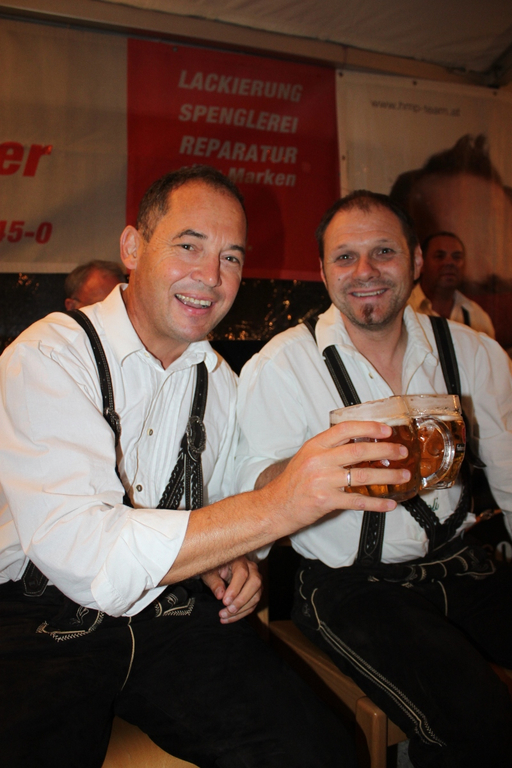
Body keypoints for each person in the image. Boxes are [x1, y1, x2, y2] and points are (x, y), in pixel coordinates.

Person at [0, 166, 411, 767]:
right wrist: (279, 505)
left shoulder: (220, 384)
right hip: (34, 622)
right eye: (189, 246)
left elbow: (218, 510)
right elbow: (88, 554)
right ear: (133, 248)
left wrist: (232, 557)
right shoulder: (49, 356)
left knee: (319, 750)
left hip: (170, 617)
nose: (211, 277)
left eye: (231, 258)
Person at [236, 190, 512, 768]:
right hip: (352, 587)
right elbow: (254, 487)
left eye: (383, 251)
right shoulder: (283, 364)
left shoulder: (474, 352)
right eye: (345, 257)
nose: (364, 271)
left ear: (415, 260)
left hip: (462, 564)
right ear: (323, 271)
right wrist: (312, 469)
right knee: (478, 718)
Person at [390, 133, 512, 289]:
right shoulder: (403, 303)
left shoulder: (480, 306)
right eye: (439, 254)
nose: (450, 264)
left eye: (491, 227)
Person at [409, 231, 495, 337]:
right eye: (440, 256)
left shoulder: (476, 316)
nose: (450, 263)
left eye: (456, 257)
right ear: (420, 264)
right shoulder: (403, 308)